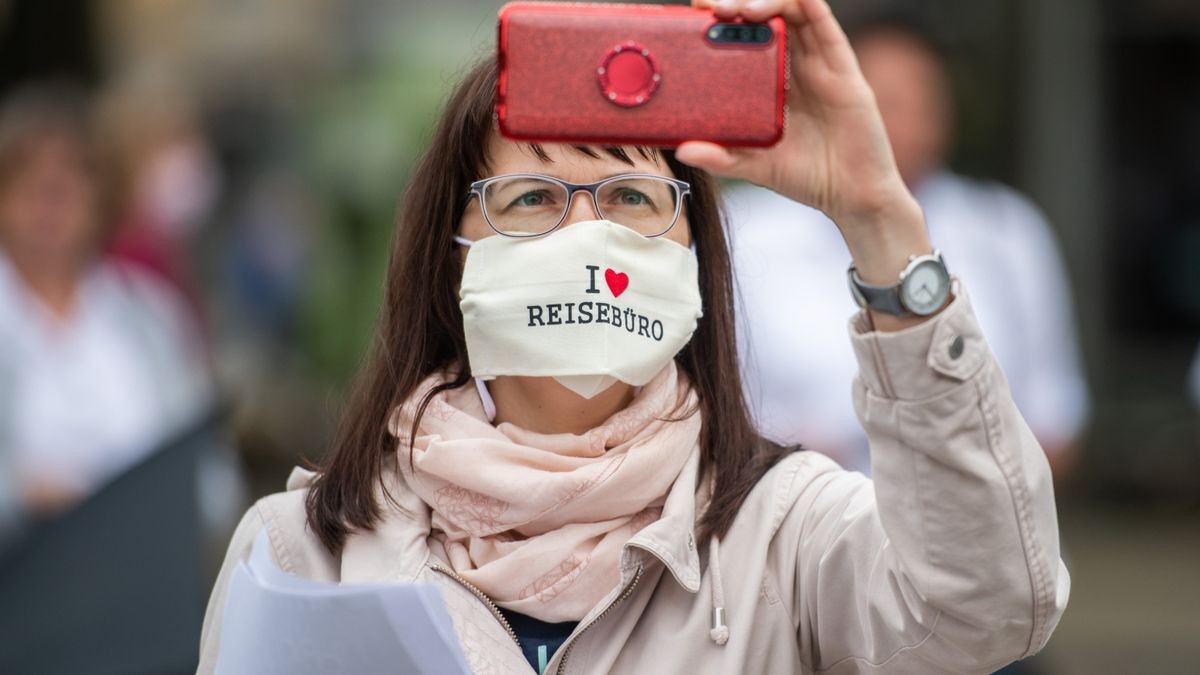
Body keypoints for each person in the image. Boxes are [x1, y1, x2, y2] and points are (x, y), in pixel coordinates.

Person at [199, 1, 1069, 673]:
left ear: (696, 254)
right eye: (533, 198)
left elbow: (990, 606)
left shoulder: (787, 533)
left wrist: (879, 217)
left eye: (631, 199)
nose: (587, 238)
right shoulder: (302, 549)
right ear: (453, 255)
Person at [727, 13, 1090, 476]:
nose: (901, 123)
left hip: (972, 525)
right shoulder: (745, 228)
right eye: (884, 101)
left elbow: (1055, 416)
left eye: (924, 101)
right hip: (796, 524)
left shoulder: (1003, 229)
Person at [0, 84, 212, 531]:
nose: (49, 198)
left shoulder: (153, 314)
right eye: (25, 178)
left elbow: (210, 476)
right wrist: (22, 494)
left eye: (71, 177)